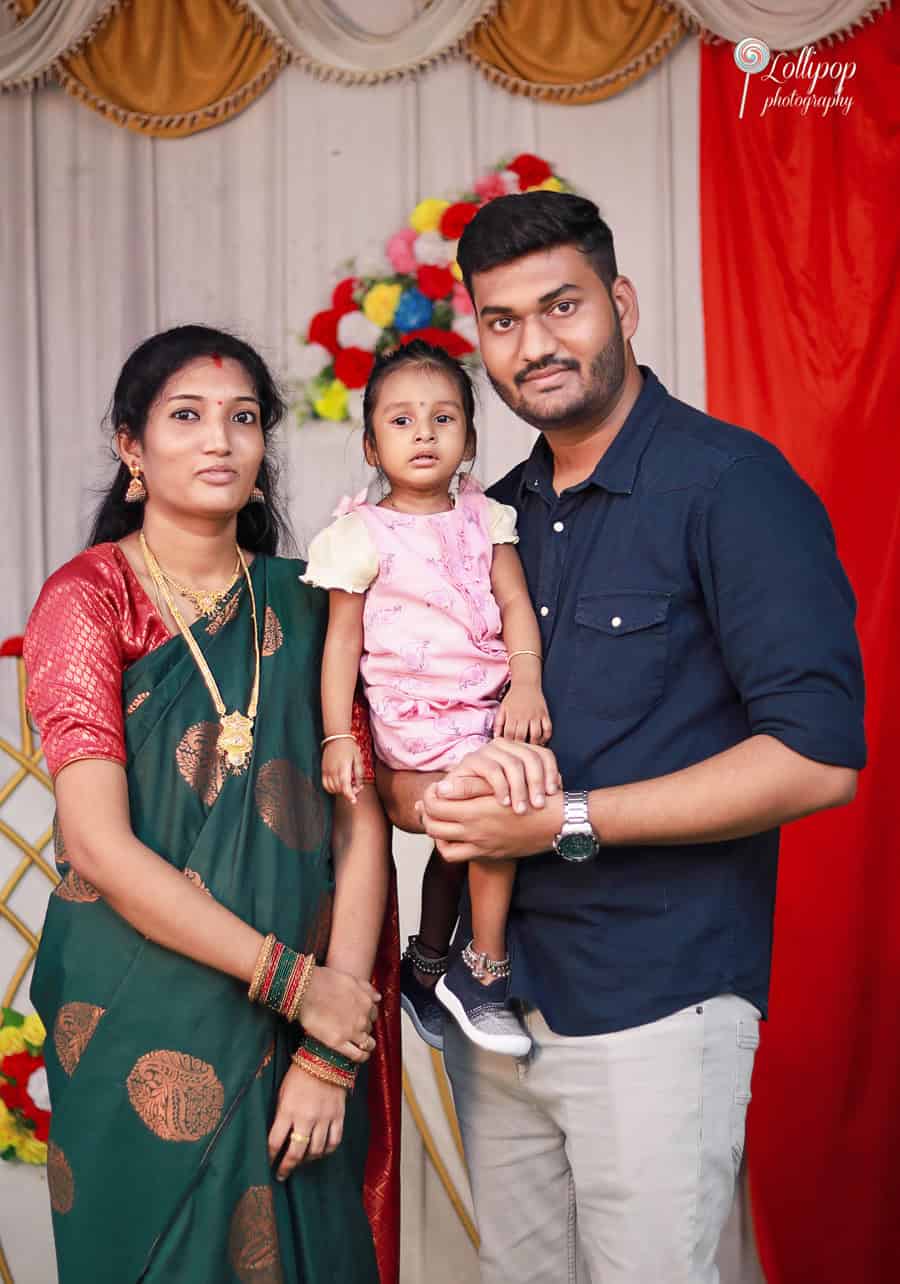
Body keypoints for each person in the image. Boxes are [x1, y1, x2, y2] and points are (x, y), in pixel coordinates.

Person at [377, 192, 866, 1284]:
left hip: (658, 999)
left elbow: (817, 755)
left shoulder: (732, 486)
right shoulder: (478, 519)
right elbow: (410, 729)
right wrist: (430, 802)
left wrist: (569, 821)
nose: (535, 344)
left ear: (622, 303)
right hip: (492, 1003)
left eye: (562, 307)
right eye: (502, 322)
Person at [23, 326, 401, 1284]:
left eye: (243, 419)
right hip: (134, 1015)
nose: (220, 441)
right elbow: (97, 846)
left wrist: (330, 1047)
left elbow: (361, 823)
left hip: (302, 1037)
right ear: (131, 447)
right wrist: (292, 982)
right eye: (186, 417)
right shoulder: (89, 598)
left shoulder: (311, 600)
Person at [302, 340, 551, 1058]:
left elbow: (515, 605)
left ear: (469, 440)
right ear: (372, 445)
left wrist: (527, 680)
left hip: (485, 715)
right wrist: (337, 737)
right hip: (413, 732)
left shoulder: (487, 519)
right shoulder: (359, 535)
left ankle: (429, 964)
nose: (424, 434)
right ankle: (484, 974)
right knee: (491, 811)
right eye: (403, 421)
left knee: (469, 836)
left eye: (443, 419)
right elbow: (341, 646)